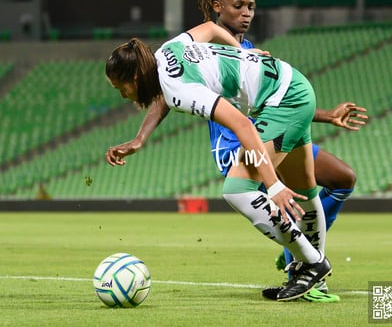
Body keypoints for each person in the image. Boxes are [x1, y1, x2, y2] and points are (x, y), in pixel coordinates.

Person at [105, 20, 332, 302]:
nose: (123, 95)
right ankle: (314, 280)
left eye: (121, 87)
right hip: (294, 85)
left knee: (237, 190)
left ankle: (312, 263)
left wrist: (272, 185)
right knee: (306, 188)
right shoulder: (165, 53)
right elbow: (211, 28)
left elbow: (243, 126)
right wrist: (140, 139)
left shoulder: (177, 89)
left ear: (135, 78)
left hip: (281, 103)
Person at [194, 0, 368, 300]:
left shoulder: (250, 51)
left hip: (270, 133)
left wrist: (326, 115)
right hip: (237, 147)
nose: (246, 13)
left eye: (251, 7)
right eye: (238, 6)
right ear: (217, 7)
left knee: (343, 178)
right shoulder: (199, 49)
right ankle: (304, 265)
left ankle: (299, 251)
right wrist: (140, 138)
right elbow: (168, 90)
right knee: (288, 198)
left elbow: (274, 105)